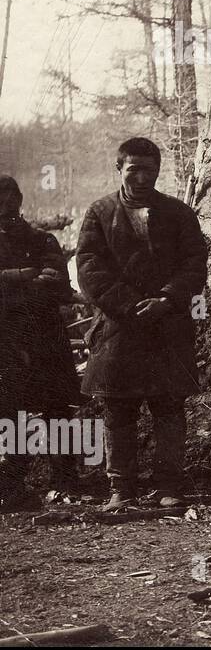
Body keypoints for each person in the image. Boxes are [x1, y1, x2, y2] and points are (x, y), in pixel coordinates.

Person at [76, 138, 207, 509]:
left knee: (168, 407)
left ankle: (169, 486)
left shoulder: (179, 214)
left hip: (167, 327)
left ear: (158, 171)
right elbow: (89, 268)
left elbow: (195, 263)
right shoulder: (99, 212)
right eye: (133, 168)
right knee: (118, 409)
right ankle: (121, 487)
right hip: (119, 329)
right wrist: (132, 305)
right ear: (120, 169)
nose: (141, 176)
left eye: (149, 168)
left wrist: (166, 299)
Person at [0, 175, 81, 510]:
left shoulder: (41, 239)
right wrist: (23, 276)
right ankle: (13, 486)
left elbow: (59, 285)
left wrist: (13, 283)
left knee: (57, 408)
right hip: (6, 339)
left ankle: (66, 481)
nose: (5, 205)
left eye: (10, 197)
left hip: (45, 337)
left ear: (20, 199)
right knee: (11, 411)